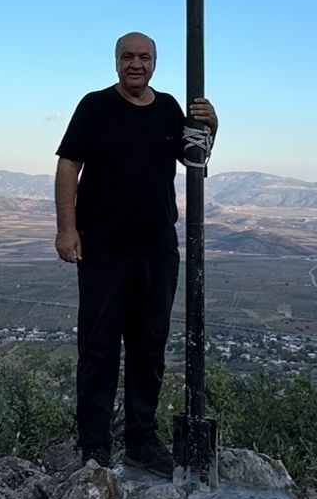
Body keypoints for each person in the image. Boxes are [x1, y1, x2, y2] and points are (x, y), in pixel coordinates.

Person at [54, 32, 218, 476]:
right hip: (104, 249)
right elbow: (68, 164)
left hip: (158, 249)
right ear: (116, 62)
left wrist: (210, 128)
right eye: (128, 56)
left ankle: (142, 441)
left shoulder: (167, 108)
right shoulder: (95, 106)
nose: (135, 64)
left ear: (155, 63)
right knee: (99, 348)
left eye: (144, 57)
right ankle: (94, 448)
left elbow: (194, 161)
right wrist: (66, 228)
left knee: (149, 347)